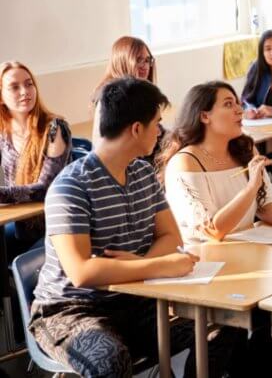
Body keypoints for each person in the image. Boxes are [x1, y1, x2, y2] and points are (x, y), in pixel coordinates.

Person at [29, 77, 250, 378]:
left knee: (225, 328)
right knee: (110, 359)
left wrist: (143, 263)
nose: (160, 132)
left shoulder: (143, 173)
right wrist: (159, 267)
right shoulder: (71, 187)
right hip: (70, 310)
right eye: (157, 123)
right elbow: (82, 272)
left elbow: (170, 236)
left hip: (135, 301)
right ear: (136, 129)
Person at [160, 81, 272, 242]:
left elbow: (265, 204)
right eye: (228, 104)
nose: (240, 110)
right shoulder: (185, 162)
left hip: (244, 245)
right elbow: (213, 231)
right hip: (205, 255)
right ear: (205, 116)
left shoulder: (245, 149)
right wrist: (251, 188)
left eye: (238, 104)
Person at [0, 61, 71, 259]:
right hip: (21, 226)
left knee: (19, 262)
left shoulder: (55, 128)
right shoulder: (4, 132)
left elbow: (44, 189)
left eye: (29, 84)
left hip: (55, 229)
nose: (25, 91)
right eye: (14, 87)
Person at [92, 36, 163, 165]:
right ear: (122, 61)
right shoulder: (111, 98)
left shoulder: (143, 94)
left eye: (147, 60)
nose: (145, 66)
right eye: (138, 60)